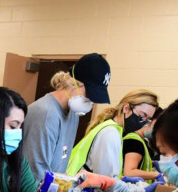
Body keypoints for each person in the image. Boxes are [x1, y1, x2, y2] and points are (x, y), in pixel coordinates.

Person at [21, 53, 111, 181]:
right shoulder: (45, 113)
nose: (91, 101)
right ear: (74, 83)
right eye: (90, 94)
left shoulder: (73, 113)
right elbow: (35, 172)